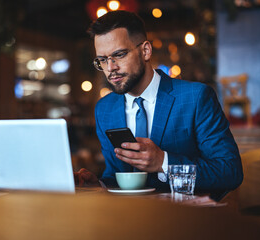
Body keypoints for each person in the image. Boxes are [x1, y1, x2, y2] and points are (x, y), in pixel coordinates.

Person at [75, 10, 243, 195]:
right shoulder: (105, 108)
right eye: (102, 60)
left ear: (145, 50)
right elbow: (116, 176)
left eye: (119, 55)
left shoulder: (195, 97)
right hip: (129, 220)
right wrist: (100, 186)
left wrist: (164, 162)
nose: (110, 68)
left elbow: (230, 172)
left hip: (186, 218)